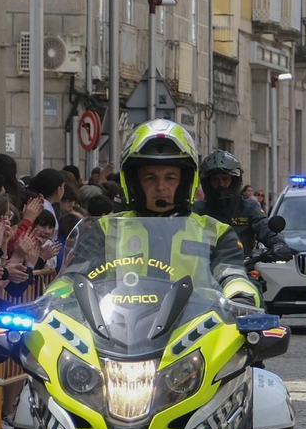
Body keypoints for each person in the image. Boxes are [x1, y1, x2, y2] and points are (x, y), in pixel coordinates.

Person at [59, 121, 259, 306]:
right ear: (134, 183)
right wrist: (53, 296)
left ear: (185, 182)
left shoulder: (215, 232)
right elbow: (75, 275)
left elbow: (232, 274)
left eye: (170, 177)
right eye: (149, 177)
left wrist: (242, 297)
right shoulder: (105, 229)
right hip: (118, 332)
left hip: (197, 333)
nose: (160, 186)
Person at [196, 150, 279, 257]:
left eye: (225, 179)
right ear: (208, 183)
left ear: (235, 180)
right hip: (204, 268)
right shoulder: (198, 210)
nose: (221, 184)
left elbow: (264, 228)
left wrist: (278, 243)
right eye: (215, 180)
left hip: (242, 267)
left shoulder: (249, 208)